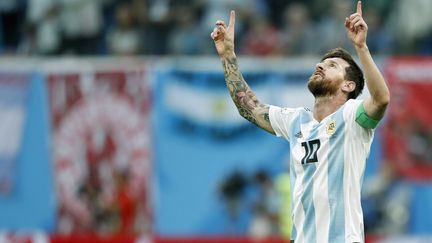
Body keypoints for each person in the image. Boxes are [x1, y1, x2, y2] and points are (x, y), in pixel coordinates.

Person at [210, 1, 390, 242]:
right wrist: (228, 57)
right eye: (321, 63)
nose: (320, 66)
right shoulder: (296, 120)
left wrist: (361, 47)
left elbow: (381, 99)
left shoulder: (352, 115)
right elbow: (248, 108)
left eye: (332, 66)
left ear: (348, 85)